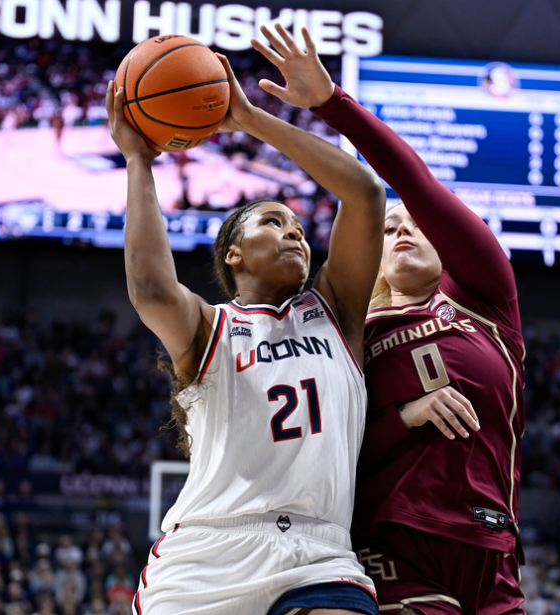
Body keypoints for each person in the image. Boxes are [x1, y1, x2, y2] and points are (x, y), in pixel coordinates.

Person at [254, 25, 526, 615]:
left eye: (417, 224)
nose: (403, 231)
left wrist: (331, 103)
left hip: (492, 547)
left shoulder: (486, 298)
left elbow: (413, 183)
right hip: (391, 547)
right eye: (388, 228)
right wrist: (405, 415)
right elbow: (331, 450)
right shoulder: (349, 332)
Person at [106, 48, 386, 615]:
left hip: (319, 553)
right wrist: (139, 162)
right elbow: (152, 290)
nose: (294, 233)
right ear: (233, 254)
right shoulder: (209, 327)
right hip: (208, 553)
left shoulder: (336, 311)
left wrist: (250, 118)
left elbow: (365, 194)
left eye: (299, 227)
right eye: (273, 222)